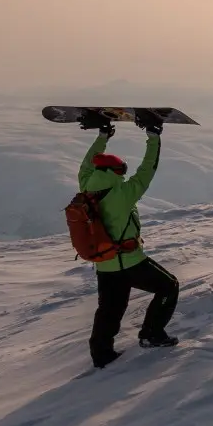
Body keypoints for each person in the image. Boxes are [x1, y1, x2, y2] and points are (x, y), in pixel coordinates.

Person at [78, 110, 179, 369]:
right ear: (116, 171)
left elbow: (87, 163)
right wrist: (153, 136)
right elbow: (148, 168)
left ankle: (101, 355)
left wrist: (103, 135)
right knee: (169, 287)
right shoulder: (123, 193)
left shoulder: (87, 186)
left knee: (109, 310)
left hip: (104, 263)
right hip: (130, 261)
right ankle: (151, 333)